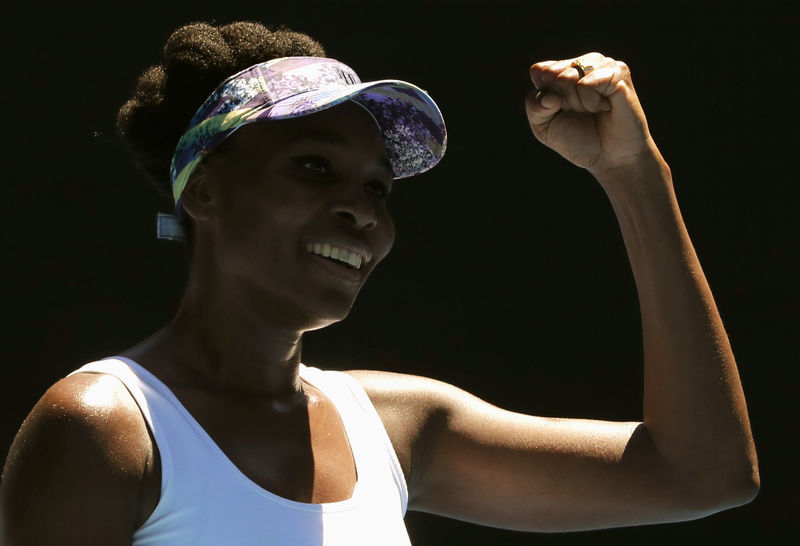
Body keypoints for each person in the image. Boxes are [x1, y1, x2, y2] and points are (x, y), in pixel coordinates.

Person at [0, 20, 759, 545]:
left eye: (378, 188)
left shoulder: (396, 426)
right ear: (204, 192)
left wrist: (633, 174)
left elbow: (702, 474)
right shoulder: (105, 429)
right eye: (313, 167)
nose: (361, 210)